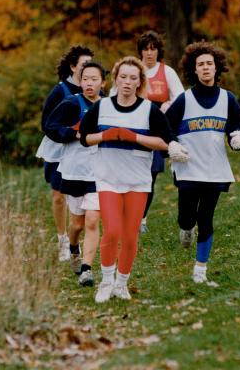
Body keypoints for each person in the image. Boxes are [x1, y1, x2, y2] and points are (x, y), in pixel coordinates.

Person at [80, 56, 172, 303]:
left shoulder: (149, 110)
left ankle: (122, 284)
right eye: (123, 77)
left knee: (130, 237)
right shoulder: (102, 107)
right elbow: (84, 137)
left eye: (133, 78)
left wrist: (133, 137)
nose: (127, 82)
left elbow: (165, 142)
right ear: (115, 79)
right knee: (112, 231)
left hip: (137, 181)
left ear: (140, 82)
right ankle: (106, 281)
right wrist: (106, 135)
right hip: (107, 179)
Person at [165, 41, 240, 284]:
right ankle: (186, 227)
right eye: (200, 64)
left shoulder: (228, 99)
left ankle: (200, 269)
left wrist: (239, 138)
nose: (206, 68)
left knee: (206, 216)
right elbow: (165, 128)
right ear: (194, 70)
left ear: (216, 67)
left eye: (209, 63)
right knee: (187, 217)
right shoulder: (184, 99)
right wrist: (171, 145)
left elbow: (237, 128)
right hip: (188, 167)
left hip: (215, 169)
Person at [44, 62, 105, 287]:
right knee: (77, 224)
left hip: (99, 172)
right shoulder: (70, 103)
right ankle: (73, 248)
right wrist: (72, 133)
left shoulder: (108, 106)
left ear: (103, 82)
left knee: (92, 220)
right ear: (80, 81)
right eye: (85, 79)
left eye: (94, 79)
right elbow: (50, 126)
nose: (89, 83)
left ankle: (87, 269)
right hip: (74, 171)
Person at [36, 45, 94, 262]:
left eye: (90, 65)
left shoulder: (96, 90)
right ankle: (61, 240)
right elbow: (46, 124)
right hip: (59, 148)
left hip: (84, 152)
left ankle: (77, 236)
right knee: (59, 196)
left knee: (78, 197)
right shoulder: (60, 90)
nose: (87, 70)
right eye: (83, 65)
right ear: (72, 67)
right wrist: (70, 133)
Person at [137, 30, 184, 233]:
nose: (149, 53)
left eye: (153, 49)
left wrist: (168, 104)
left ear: (158, 51)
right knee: (134, 175)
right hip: (136, 126)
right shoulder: (132, 70)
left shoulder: (167, 72)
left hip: (157, 130)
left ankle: (142, 219)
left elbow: (182, 100)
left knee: (151, 175)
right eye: (145, 49)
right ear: (140, 52)